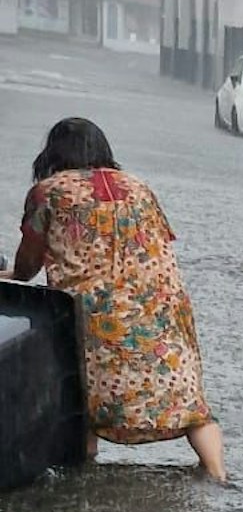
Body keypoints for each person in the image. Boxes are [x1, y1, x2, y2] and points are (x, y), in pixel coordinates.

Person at [9, 118, 227, 482]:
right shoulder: (138, 187)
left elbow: (27, 266)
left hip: (95, 315)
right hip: (160, 308)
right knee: (189, 403)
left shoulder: (49, 192)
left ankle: (84, 474)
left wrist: (10, 274)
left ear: (52, 153)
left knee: (84, 398)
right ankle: (218, 475)